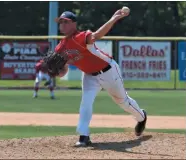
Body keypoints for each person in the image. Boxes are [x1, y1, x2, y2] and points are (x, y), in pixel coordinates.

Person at [54, 9, 147, 147]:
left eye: (65, 22)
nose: (62, 24)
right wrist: (58, 72)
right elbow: (63, 70)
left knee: (123, 102)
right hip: (89, 76)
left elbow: (97, 35)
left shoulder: (81, 36)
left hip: (109, 71)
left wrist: (114, 18)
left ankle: (142, 117)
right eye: (60, 22)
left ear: (74, 24)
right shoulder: (60, 47)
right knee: (86, 102)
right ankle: (83, 136)